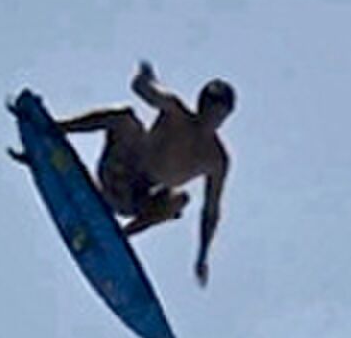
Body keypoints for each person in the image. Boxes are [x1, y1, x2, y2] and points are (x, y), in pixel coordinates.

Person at [55, 61, 234, 286]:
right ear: (200, 104)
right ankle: (55, 129)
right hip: (118, 173)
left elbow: (211, 210)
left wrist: (202, 255)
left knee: (180, 200)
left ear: (225, 117)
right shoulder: (175, 112)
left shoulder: (215, 160)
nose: (209, 117)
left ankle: (119, 238)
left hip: (136, 201)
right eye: (207, 108)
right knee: (127, 120)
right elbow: (145, 90)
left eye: (216, 114)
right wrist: (145, 79)